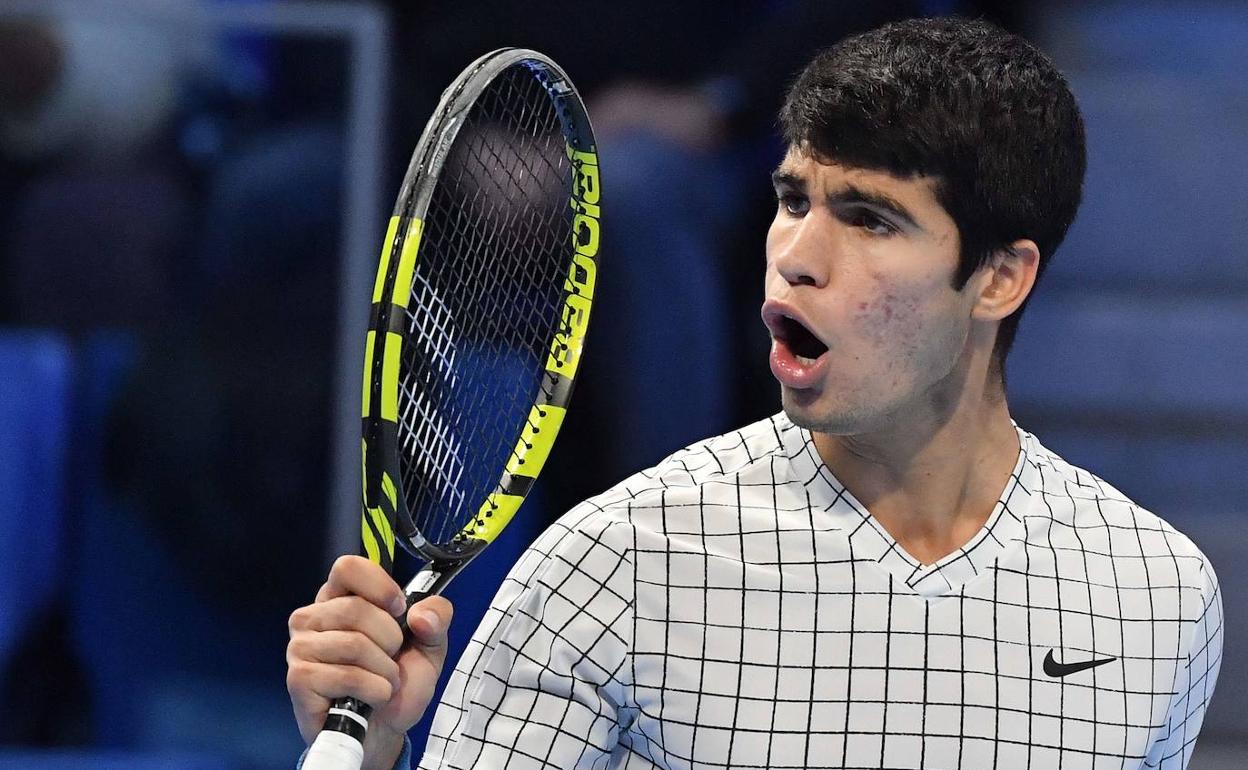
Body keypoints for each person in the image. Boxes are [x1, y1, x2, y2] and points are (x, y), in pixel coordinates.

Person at [286, 17, 1222, 770]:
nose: (796, 256)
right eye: (793, 200)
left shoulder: (1159, 594)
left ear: (999, 279)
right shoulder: (607, 566)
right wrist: (376, 753)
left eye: (869, 219)